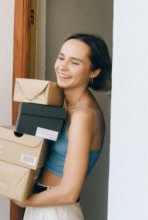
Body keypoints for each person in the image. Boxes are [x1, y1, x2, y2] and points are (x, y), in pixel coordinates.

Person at [14, 33, 112, 220]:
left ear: (94, 72)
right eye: (61, 57)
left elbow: (69, 192)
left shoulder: (84, 116)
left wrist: (24, 201)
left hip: (56, 211)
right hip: (44, 204)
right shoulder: (64, 105)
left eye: (75, 62)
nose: (62, 67)